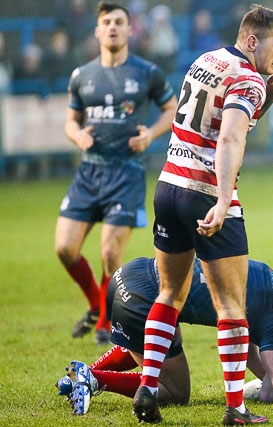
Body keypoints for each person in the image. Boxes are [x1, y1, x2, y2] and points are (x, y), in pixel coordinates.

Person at [134, 4, 273, 425]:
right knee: (231, 306)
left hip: (169, 188)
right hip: (206, 193)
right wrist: (223, 200)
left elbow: (223, 119)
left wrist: (272, 91)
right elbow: (229, 138)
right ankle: (235, 408)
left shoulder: (207, 60)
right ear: (253, 39)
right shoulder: (246, 79)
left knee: (170, 292)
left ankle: (147, 387)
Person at [54, 2, 177, 345]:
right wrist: (76, 135)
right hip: (89, 173)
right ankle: (97, 304)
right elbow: (70, 120)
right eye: (106, 22)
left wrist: (150, 135)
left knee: (110, 253)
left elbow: (171, 107)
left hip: (127, 173)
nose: (112, 27)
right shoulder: (82, 75)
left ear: (128, 29)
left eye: (119, 22)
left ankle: (105, 322)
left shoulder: (147, 72)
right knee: (64, 248)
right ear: (97, 30)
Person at [55, 256, 273, 415]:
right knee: (176, 392)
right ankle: (94, 378)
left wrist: (267, 376)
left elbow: (244, 349)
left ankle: (81, 376)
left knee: (150, 343)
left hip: (131, 275)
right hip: (143, 300)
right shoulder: (271, 309)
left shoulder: (264, 273)